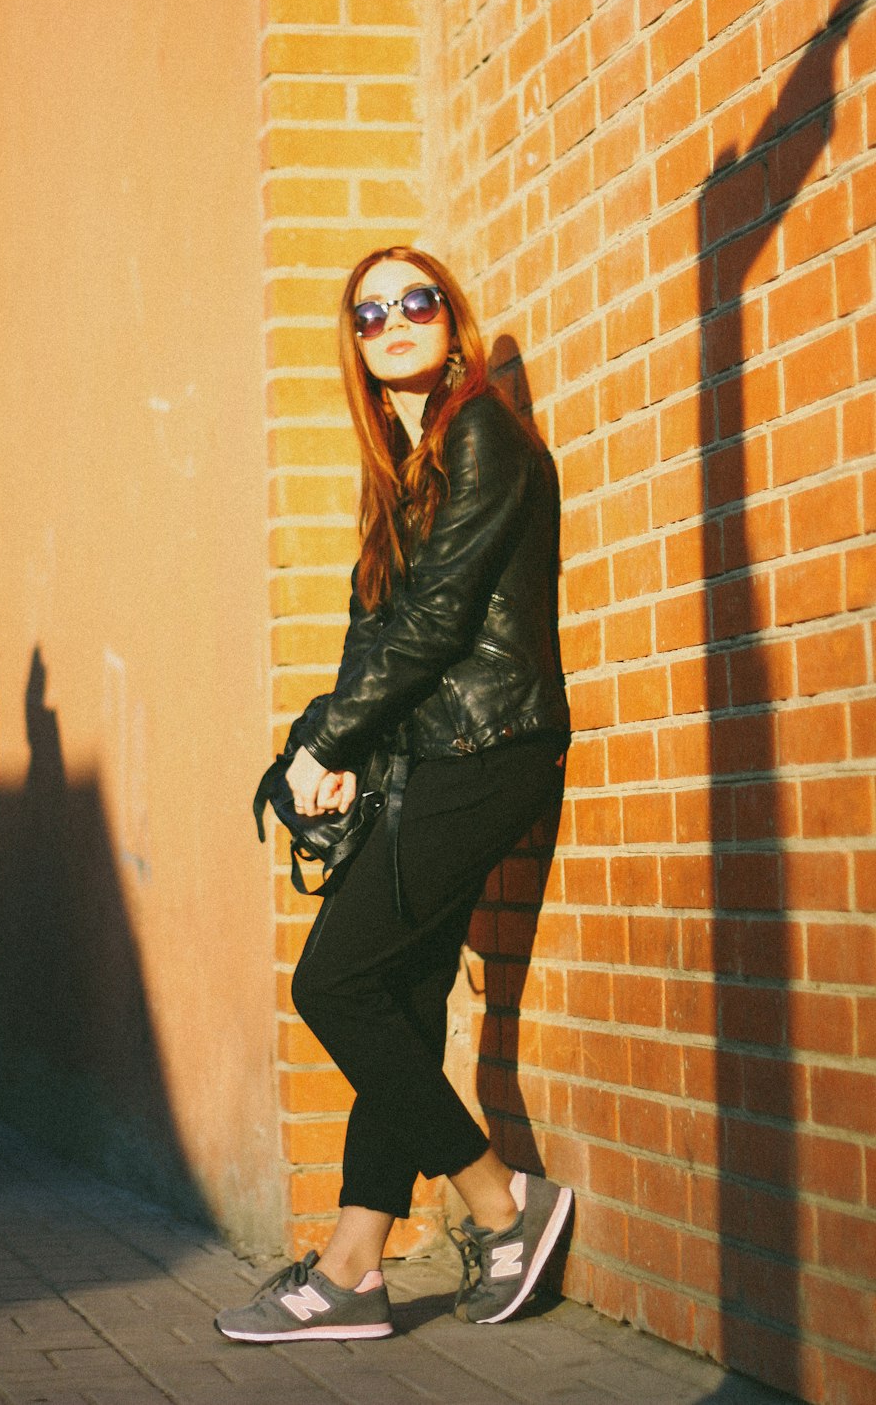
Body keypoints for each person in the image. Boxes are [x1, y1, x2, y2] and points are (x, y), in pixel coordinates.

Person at [215, 247, 572, 1344]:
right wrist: (320, 753)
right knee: (403, 999)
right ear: (360, 353)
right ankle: (353, 1271)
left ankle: (503, 1201)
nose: (395, 321)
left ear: (450, 320)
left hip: (486, 747)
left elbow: (436, 623)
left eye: (415, 301)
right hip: (432, 755)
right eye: (370, 316)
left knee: (334, 983)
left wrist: (324, 740)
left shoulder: (481, 437)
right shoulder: (407, 469)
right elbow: (373, 630)